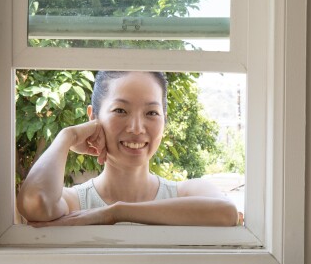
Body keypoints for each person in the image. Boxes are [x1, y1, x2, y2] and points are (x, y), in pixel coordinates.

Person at [16, 71, 240, 227]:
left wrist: (116, 213)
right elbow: (36, 203)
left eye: (151, 113)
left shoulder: (188, 192)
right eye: (121, 111)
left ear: (164, 121)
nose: (136, 128)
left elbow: (226, 213)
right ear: (92, 117)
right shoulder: (75, 202)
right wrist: (67, 136)